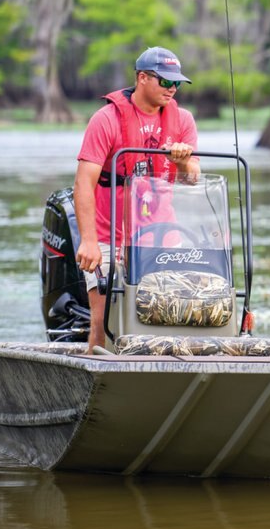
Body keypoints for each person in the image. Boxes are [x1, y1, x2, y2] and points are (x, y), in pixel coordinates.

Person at [74, 47, 200, 351]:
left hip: (161, 236)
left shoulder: (182, 120)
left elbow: (193, 176)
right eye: (165, 81)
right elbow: (83, 183)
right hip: (109, 237)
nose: (172, 89)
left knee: (173, 316)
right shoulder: (106, 119)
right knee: (103, 320)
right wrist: (88, 240)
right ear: (142, 78)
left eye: (177, 84)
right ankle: (95, 381)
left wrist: (183, 162)